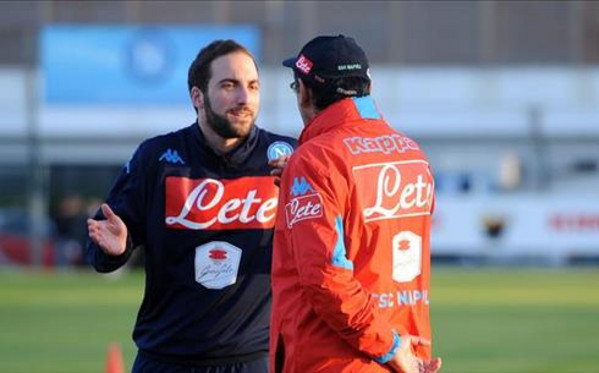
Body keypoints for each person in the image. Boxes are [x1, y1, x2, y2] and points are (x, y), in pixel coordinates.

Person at [87, 39, 296, 373]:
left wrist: (307, 191)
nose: (244, 98)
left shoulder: (289, 158)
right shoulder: (157, 158)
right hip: (167, 359)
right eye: (229, 85)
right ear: (197, 97)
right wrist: (114, 250)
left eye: (252, 86)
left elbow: (328, 247)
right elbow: (101, 254)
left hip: (256, 360)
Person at [270, 35, 442, 373]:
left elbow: (327, 279)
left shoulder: (315, 160)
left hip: (340, 359)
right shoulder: (413, 153)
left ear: (304, 92)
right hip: (409, 355)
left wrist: (389, 347)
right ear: (368, 86)